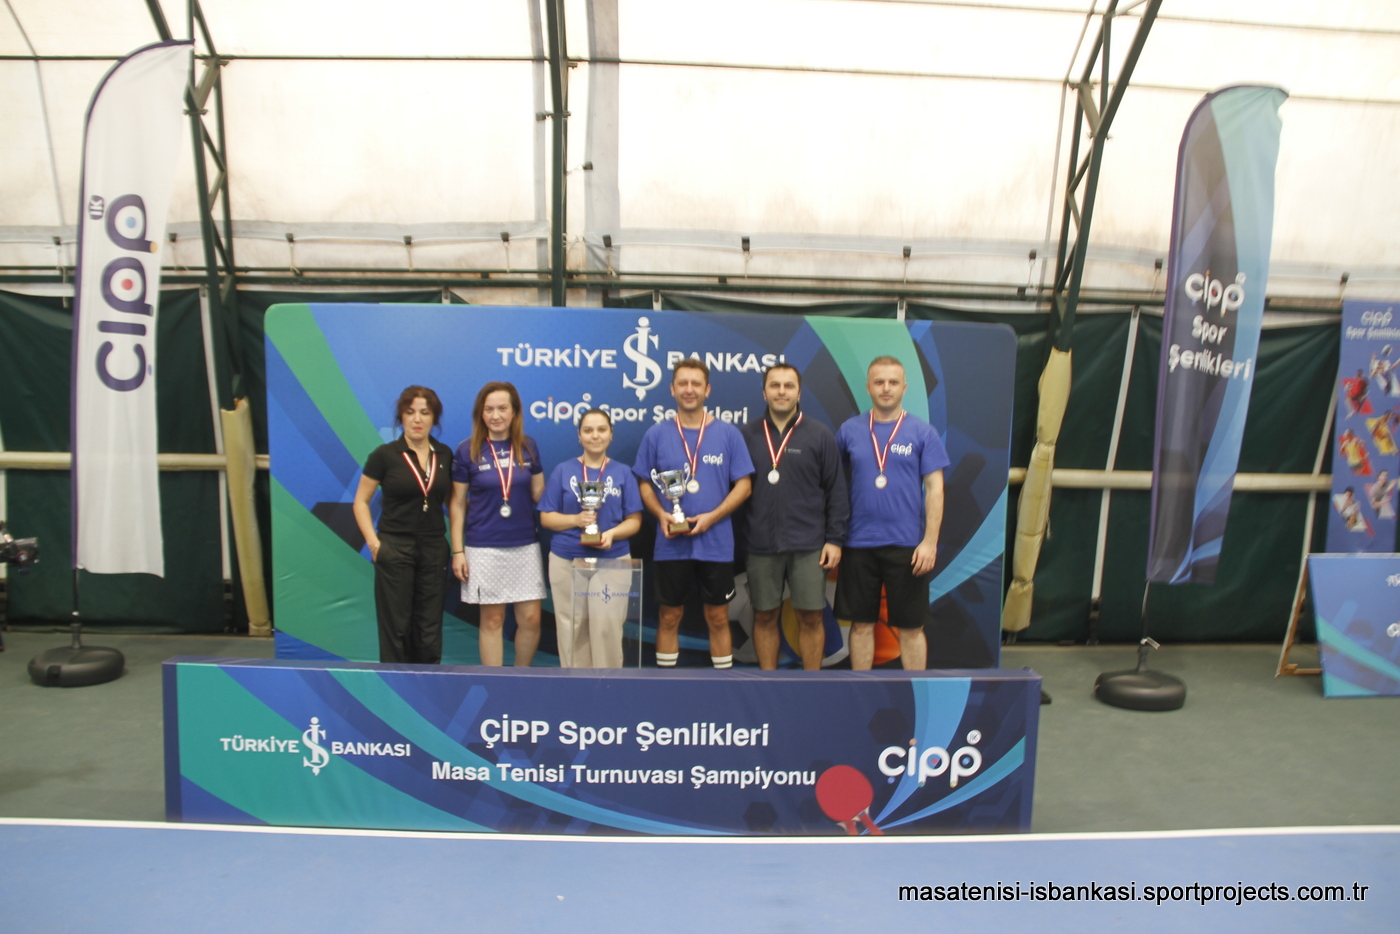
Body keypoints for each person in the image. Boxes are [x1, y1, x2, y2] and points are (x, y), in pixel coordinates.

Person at [633, 359, 754, 669]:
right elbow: (644, 483)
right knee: (669, 616)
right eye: (683, 383)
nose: (689, 390)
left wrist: (713, 516)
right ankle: (665, 685)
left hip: (716, 544)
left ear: (707, 390)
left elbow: (744, 486)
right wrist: (661, 513)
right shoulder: (656, 434)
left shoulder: (728, 434)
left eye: (696, 384)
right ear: (672, 389)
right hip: (671, 544)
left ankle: (723, 686)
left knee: (718, 617)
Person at [834, 356, 950, 671]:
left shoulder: (923, 432)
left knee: (911, 628)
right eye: (879, 382)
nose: (886, 388)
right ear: (868, 387)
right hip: (858, 543)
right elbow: (831, 482)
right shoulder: (849, 430)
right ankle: (862, 691)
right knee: (860, 625)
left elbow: (935, 490)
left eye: (893, 382)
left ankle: (916, 690)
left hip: (908, 547)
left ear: (904, 387)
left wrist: (929, 542)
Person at [740, 362, 848, 670]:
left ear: (799, 392)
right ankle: (768, 682)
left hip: (809, 545)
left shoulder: (819, 434)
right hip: (760, 543)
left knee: (811, 616)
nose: (782, 392)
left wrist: (835, 540)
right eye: (775, 385)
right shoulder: (747, 435)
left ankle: (811, 684)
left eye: (789, 386)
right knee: (764, 615)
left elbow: (837, 492)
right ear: (764, 392)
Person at [352, 386, 454, 664]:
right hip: (395, 548)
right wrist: (375, 544)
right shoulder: (384, 455)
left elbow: (455, 502)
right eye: (410, 412)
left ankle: (428, 683)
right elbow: (361, 502)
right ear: (401, 417)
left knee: (429, 627)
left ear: (434, 418)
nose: (417, 419)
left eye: (425, 413)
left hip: (434, 548)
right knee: (396, 626)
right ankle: (396, 684)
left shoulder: (444, 455)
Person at [449, 382, 546, 666]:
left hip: (524, 544)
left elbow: (539, 494)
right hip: (484, 546)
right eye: (489, 409)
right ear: (480, 413)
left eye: (502, 408)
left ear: (514, 412)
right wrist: (458, 551)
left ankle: (521, 678)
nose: (496, 415)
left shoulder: (528, 446)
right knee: (493, 619)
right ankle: (495, 683)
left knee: (531, 618)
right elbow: (457, 503)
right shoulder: (467, 450)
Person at [539, 408, 643, 667]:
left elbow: (634, 521)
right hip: (567, 559)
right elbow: (546, 518)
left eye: (601, 430)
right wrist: (576, 520)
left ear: (611, 434)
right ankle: (576, 684)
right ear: (579, 436)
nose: (595, 436)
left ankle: (608, 685)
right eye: (588, 430)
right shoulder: (563, 471)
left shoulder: (623, 472)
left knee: (606, 625)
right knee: (571, 626)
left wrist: (612, 534)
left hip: (613, 558)